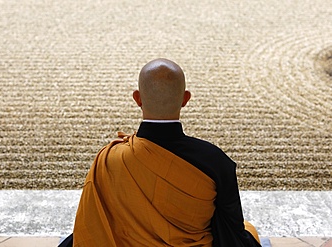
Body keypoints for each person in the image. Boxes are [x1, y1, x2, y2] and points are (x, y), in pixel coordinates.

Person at [68, 58, 261, 246]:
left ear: (137, 98)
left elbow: (93, 223)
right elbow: (230, 227)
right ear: (186, 99)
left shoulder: (110, 159)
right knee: (248, 229)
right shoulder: (214, 160)